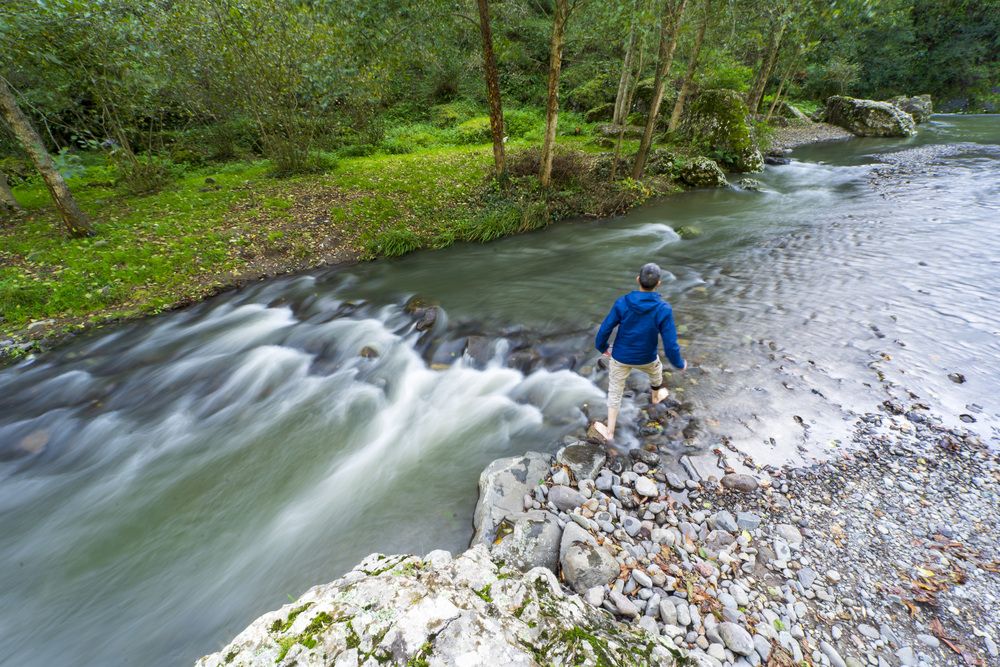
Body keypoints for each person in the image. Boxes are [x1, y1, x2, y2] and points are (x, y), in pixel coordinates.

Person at [593, 262, 686, 441]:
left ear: (638, 280)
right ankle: (655, 395)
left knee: (615, 391)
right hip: (647, 358)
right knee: (656, 371)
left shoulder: (622, 303)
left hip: (620, 357)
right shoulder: (663, 309)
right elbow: (670, 344)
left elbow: (605, 329)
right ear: (658, 283)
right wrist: (679, 363)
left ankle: (610, 432)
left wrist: (603, 348)